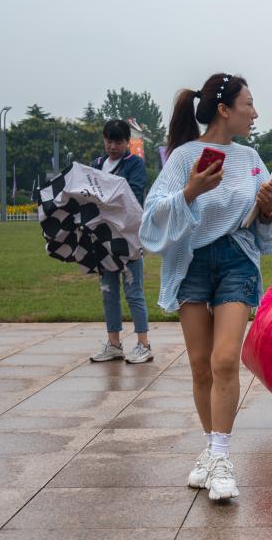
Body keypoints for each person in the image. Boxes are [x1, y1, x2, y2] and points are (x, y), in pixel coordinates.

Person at [140, 73, 272, 500]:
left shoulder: (251, 158)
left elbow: (267, 227)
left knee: (224, 360)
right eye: (248, 104)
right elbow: (152, 216)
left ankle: (221, 458)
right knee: (200, 365)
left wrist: (267, 209)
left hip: (237, 260)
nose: (254, 113)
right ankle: (211, 449)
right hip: (192, 264)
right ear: (224, 109)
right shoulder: (184, 157)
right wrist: (190, 191)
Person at [88, 120, 153, 365]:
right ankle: (114, 344)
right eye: (109, 141)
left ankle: (143, 344)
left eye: (118, 141)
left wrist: (103, 201)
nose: (112, 146)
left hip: (129, 237)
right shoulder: (97, 164)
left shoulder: (134, 164)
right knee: (108, 291)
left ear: (127, 142)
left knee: (133, 291)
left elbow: (133, 195)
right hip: (103, 238)